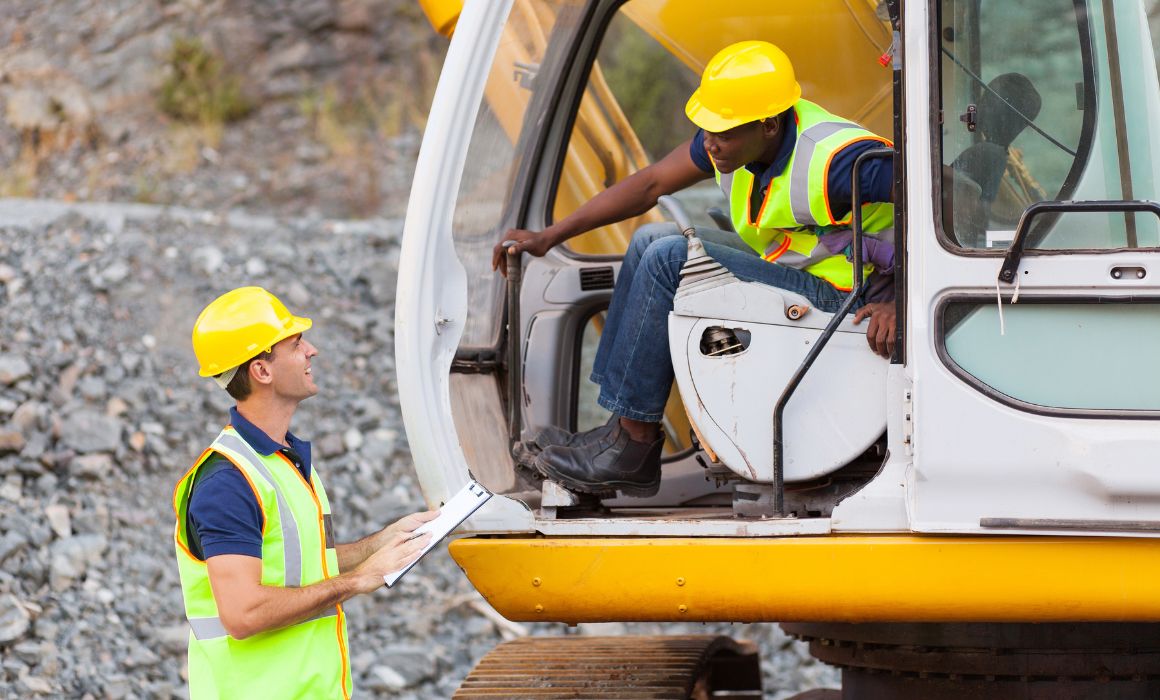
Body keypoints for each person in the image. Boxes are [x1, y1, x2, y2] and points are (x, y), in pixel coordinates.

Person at [492, 41, 898, 498]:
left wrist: (900, 302)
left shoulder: (839, 163)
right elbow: (650, 185)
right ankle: (620, 432)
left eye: (721, 132)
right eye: (705, 128)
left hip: (849, 300)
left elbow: (949, 196)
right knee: (651, 238)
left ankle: (634, 447)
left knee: (670, 259)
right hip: (801, 277)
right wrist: (551, 235)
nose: (709, 142)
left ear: (768, 124)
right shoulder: (739, 139)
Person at [173, 286, 436, 699]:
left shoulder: (282, 461)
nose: (311, 350)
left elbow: (305, 565)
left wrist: (380, 543)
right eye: (295, 344)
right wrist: (358, 581)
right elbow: (243, 613)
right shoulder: (227, 482)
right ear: (262, 370)